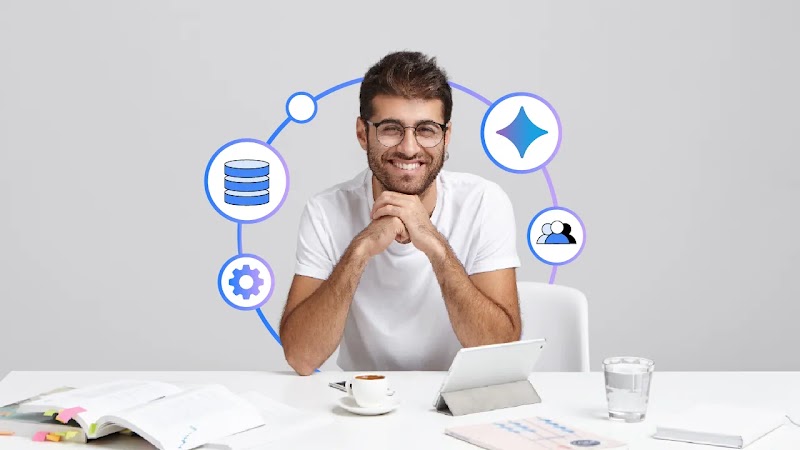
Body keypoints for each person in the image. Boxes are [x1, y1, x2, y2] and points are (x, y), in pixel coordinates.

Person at [279, 51, 522, 376]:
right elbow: (301, 357)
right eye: (391, 129)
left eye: (426, 130)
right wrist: (360, 250)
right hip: (361, 404)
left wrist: (435, 245)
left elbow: (499, 353)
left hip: (457, 400)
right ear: (363, 134)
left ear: (446, 137)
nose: (409, 148)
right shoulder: (326, 211)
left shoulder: (484, 203)